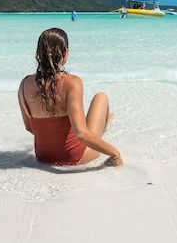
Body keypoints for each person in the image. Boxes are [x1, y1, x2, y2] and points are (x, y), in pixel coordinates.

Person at [18, 28, 122, 167]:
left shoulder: (24, 84)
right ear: (65, 53)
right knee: (100, 97)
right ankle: (103, 125)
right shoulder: (71, 82)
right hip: (75, 157)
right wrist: (115, 154)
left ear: (38, 53)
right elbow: (81, 134)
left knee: (78, 125)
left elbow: (29, 127)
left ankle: (104, 122)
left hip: (42, 157)